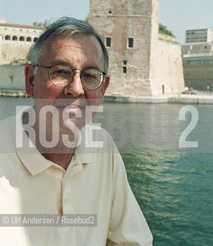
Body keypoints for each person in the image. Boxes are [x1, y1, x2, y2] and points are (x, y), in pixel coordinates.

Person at [0, 17, 153, 245]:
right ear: (31, 80)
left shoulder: (103, 147)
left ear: (103, 89)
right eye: (61, 72)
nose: (76, 89)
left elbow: (130, 241)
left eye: (90, 76)